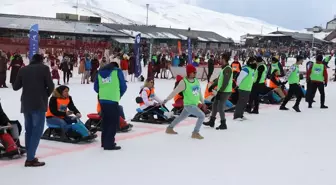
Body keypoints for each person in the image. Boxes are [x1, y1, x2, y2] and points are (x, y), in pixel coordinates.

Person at [13, 54, 55, 167]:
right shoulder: (44, 69)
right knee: (37, 131)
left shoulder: (23, 69)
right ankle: (30, 158)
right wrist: (45, 95)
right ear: (41, 61)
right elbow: (51, 86)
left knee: (29, 130)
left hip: (26, 103)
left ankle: (30, 156)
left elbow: (15, 87)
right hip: (39, 103)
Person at [163, 64, 206, 139]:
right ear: (189, 73)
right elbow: (175, 92)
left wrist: (203, 102)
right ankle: (195, 133)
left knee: (180, 117)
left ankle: (169, 128)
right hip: (188, 105)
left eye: (195, 72)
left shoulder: (196, 81)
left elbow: (199, 93)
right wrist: (167, 99)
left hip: (194, 105)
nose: (195, 74)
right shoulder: (184, 82)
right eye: (194, 72)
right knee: (202, 116)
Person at [94, 62, 127, 150]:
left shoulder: (99, 73)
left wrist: (104, 93)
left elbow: (96, 87)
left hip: (102, 99)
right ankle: (109, 144)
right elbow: (123, 86)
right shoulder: (117, 72)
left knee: (106, 121)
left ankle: (104, 142)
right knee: (113, 122)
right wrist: (118, 95)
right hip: (113, 100)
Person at [203, 53, 232, 130]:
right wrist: (212, 86)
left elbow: (225, 82)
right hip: (221, 90)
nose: (219, 60)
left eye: (221, 59)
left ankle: (223, 123)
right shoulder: (224, 68)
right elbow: (218, 80)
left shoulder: (228, 69)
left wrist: (220, 92)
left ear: (224, 59)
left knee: (220, 106)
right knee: (214, 104)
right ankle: (212, 121)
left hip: (225, 91)